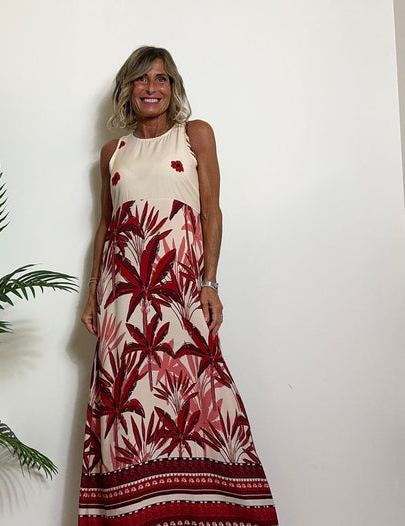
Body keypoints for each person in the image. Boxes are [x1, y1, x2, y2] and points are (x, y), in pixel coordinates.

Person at [79, 46, 278, 526]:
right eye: (142, 79)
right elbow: (106, 226)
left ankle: (216, 510)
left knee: (203, 393)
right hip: (123, 297)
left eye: (161, 79)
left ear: (173, 88)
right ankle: (132, 513)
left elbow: (211, 211)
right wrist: (92, 294)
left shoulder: (195, 135)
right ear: (128, 88)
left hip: (181, 287)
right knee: (126, 404)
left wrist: (210, 282)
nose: (151, 87)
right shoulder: (112, 153)